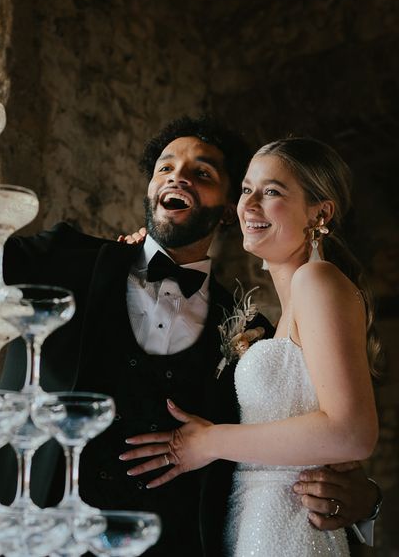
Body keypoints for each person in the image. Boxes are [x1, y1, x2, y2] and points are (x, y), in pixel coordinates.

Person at [0, 69, 381, 555]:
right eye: (166, 166)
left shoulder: (248, 333)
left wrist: (364, 498)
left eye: (203, 173)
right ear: (150, 188)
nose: (178, 177)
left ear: (225, 212)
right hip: (21, 534)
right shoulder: (66, 260)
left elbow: (286, 448)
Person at [120, 137, 381, 555]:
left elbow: (351, 433)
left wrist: (209, 442)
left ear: (320, 212)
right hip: (255, 525)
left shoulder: (317, 281)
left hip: (289, 532)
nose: (250, 204)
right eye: (246, 190)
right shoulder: (278, 314)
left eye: (272, 191)